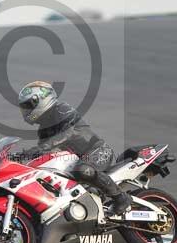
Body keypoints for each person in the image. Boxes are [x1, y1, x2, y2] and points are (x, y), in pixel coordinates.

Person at [16, 81, 131, 215]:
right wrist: (20, 157)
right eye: (24, 107)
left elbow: (68, 132)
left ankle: (121, 198)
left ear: (42, 100)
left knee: (83, 170)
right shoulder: (43, 130)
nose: (26, 110)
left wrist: (43, 147)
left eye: (29, 106)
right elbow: (43, 152)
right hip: (76, 159)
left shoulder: (62, 109)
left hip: (97, 151)